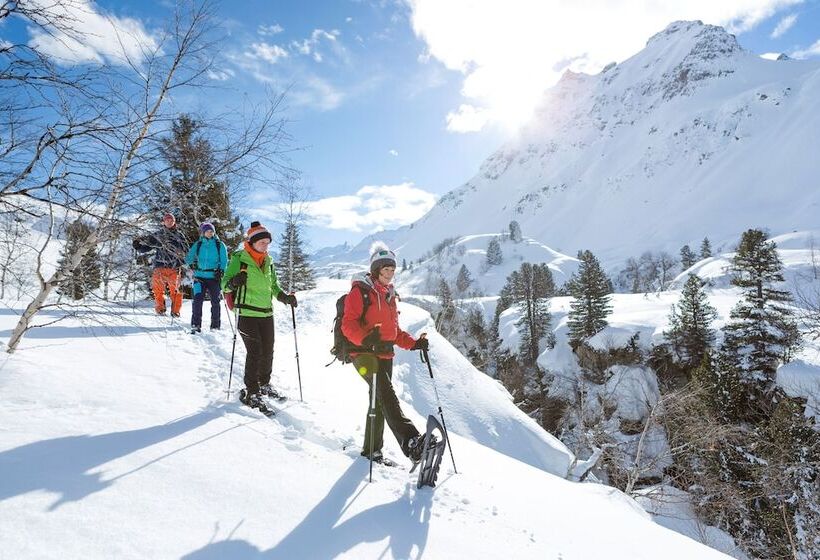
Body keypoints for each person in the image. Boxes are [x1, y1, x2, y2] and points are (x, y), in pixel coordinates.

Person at [341, 242, 431, 466]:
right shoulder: (360, 292)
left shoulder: (389, 295)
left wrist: (414, 344)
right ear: (375, 270)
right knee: (386, 394)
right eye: (385, 270)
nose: (390, 274)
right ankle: (411, 442)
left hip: (384, 354)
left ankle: (371, 451)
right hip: (363, 354)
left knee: (379, 401)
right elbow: (348, 325)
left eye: (392, 270)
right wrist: (365, 339)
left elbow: (394, 332)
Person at [221, 221, 297, 413]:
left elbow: (273, 287)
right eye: (262, 241)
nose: (265, 245)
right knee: (255, 351)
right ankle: (252, 391)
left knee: (268, 350)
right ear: (252, 242)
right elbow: (224, 285)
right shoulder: (240, 259)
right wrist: (234, 281)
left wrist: (285, 298)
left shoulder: (269, 262)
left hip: (266, 313)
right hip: (246, 312)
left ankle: (264, 384)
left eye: (267, 242)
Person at [133, 212, 188, 317]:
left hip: (174, 267)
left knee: (176, 291)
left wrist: (182, 260)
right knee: (157, 290)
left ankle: (175, 311)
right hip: (159, 266)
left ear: (174, 222)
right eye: (167, 220)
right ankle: (160, 309)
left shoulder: (179, 235)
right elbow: (147, 247)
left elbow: (186, 250)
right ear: (164, 222)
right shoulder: (158, 235)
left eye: (171, 220)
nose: (169, 222)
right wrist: (138, 246)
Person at [185, 222, 228, 334]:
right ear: (203, 232)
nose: (210, 233)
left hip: (214, 277)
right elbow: (189, 257)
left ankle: (215, 326)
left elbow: (224, 260)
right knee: (197, 300)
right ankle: (195, 324)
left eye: (212, 231)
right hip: (199, 277)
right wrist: (191, 264)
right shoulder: (198, 244)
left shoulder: (219, 245)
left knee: (215, 301)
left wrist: (221, 271)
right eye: (208, 231)